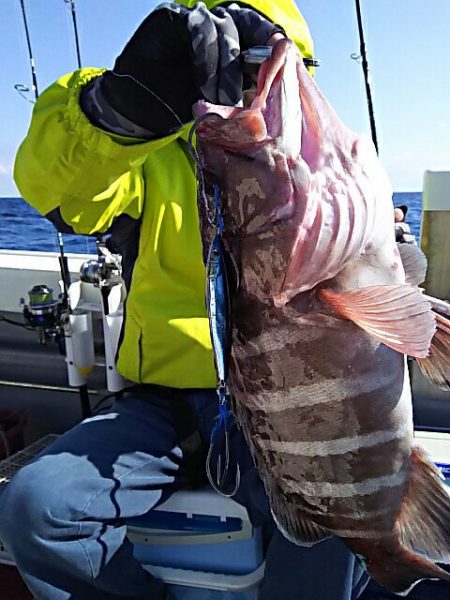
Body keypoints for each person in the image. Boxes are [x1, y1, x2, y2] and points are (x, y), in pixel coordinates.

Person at [0, 2, 370, 599]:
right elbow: (57, 192)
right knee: (34, 507)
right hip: (163, 403)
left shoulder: (327, 165)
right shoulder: (143, 151)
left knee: (335, 517)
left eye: (260, 65)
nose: (238, 88)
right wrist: (118, 113)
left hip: (289, 402)